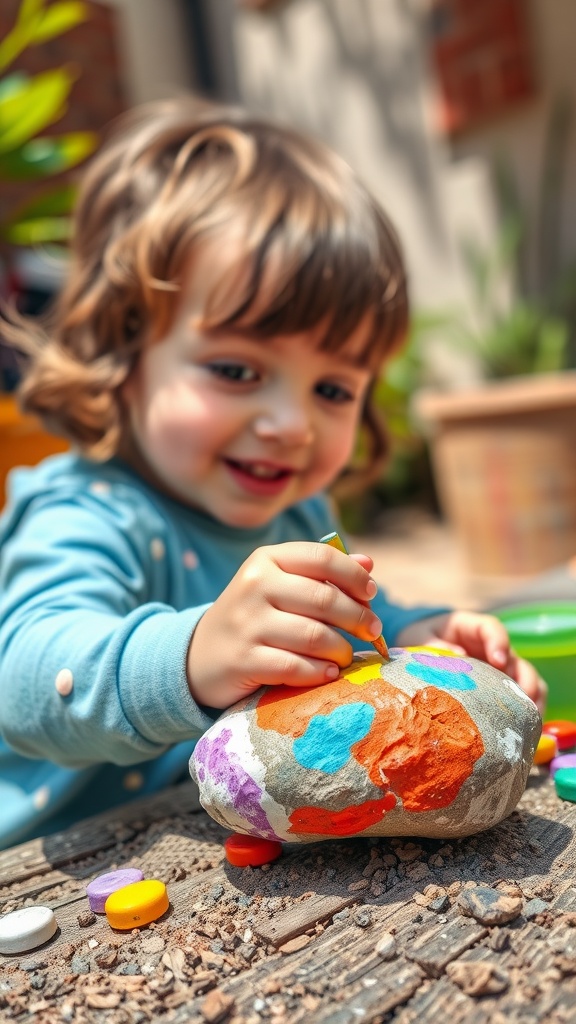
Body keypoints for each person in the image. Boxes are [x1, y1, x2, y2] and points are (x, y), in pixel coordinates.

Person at [0, 97, 545, 850]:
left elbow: (354, 622)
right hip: (62, 865)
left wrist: (421, 629)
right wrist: (193, 659)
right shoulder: (86, 510)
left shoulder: (294, 511)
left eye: (332, 388)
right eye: (235, 369)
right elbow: (25, 677)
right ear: (123, 352)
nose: (292, 424)